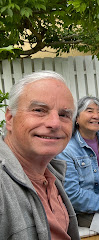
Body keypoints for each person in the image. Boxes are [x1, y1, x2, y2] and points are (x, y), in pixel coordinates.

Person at [0, 71, 80, 239]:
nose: (54, 123)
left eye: (64, 115)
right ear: (9, 118)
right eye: (39, 110)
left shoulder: (50, 172)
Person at [56, 96, 99, 238]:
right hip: (82, 210)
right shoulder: (66, 149)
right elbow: (72, 195)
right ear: (77, 118)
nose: (96, 116)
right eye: (89, 110)